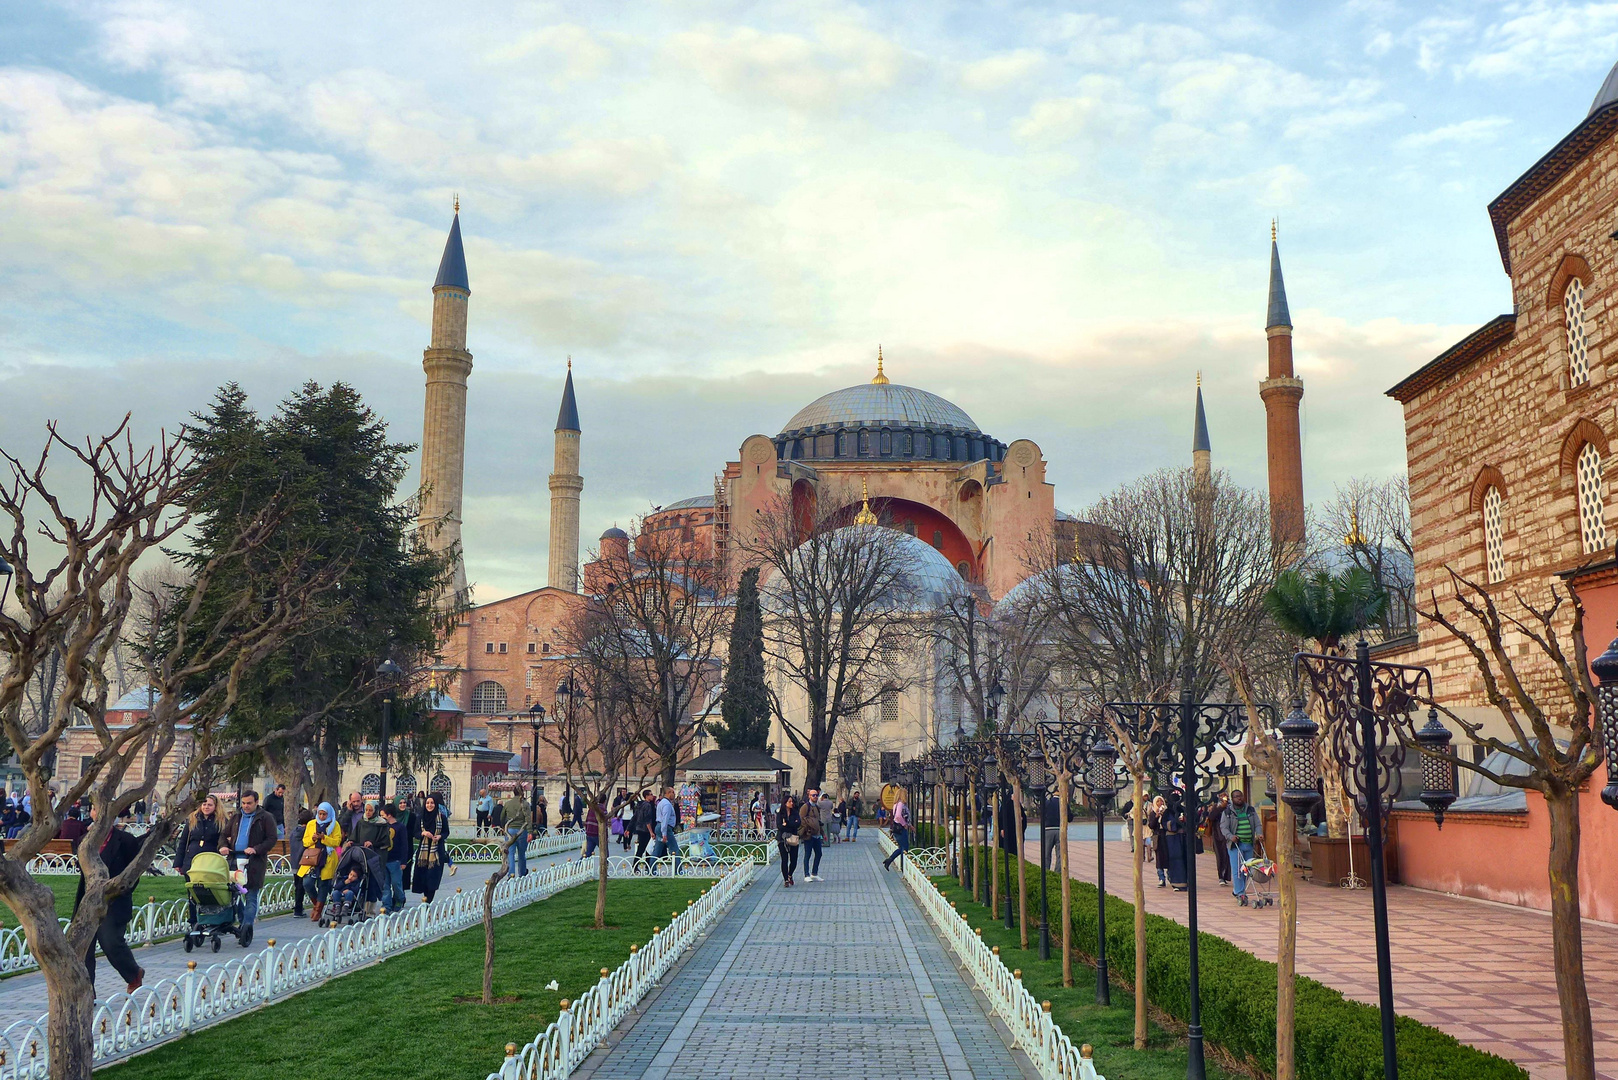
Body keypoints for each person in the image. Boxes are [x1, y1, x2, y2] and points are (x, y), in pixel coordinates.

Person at [74, 805, 143, 994]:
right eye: (95, 809)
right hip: (88, 900)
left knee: (110, 942)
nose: (99, 813)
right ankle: (87, 993)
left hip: (115, 900)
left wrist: (122, 891)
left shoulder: (126, 841)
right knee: (84, 947)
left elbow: (134, 873)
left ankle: (133, 974)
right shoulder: (84, 841)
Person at [220, 790, 277, 943]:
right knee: (234, 894)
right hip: (234, 860)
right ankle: (242, 921)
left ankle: (247, 927)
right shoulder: (237, 816)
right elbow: (224, 835)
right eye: (243, 803)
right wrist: (224, 846)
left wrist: (256, 849)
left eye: (249, 803)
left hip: (253, 863)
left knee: (251, 895)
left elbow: (271, 839)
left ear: (256, 802)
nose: (245, 806)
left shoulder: (265, 818)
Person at [298, 801, 342, 923]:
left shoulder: (334, 825)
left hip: (327, 857)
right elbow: (305, 842)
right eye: (320, 813)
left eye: (324, 814)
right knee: (307, 883)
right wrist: (313, 839)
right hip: (312, 857)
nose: (322, 816)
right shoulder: (311, 824)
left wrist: (324, 838)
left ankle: (318, 911)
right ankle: (317, 904)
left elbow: (336, 842)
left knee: (323, 884)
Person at [412, 793, 453, 902]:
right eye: (428, 803)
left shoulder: (441, 817)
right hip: (423, 853)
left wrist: (440, 836)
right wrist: (423, 833)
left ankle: (428, 901)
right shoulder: (421, 817)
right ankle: (425, 899)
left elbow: (446, 832)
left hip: (436, 851)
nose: (430, 805)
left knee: (433, 877)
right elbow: (415, 833)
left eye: (432, 803)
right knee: (423, 876)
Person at [1222, 789, 1261, 902]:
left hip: (1249, 843)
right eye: (1236, 797)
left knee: (1247, 869)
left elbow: (1257, 824)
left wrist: (1259, 834)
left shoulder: (1250, 810)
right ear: (1232, 799)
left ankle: (1239, 890)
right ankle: (1240, 892)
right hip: (1235, 845)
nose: (1239, 798)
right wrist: (1230, 836)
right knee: (1238, 870)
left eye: (1240, 796)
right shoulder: (1228, 812)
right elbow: (1224, 828)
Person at [175, 795, 223, 875]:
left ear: (216, 806)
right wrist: (178, 863)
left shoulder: (221, 822)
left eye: (210, 805)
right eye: (204, 804)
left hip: (211, 861)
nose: (206, 807)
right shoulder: (192, 820)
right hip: (191, 860)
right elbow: (183, 842)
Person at [380, 803, 411, 913]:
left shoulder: (400, 827)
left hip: (396, 861)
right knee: (385, 885)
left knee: (396, 883)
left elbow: (404, 845)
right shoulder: (382, 826)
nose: (381, 817)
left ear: (389, 815)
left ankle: (399, 899)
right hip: (384, 860)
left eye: (383, 815)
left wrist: (403, 861)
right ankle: (386, 906)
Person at [651, 786, 682, 874]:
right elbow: (665, 819)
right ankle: (678, 871)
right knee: (674, 849)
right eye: (672, 792)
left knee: (657, 850)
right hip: (665, 828)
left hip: (660, 827)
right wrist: (664, 834)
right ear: (668, 793)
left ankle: (651, 870)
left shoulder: (661, 803)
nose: (674, 794)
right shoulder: (667, 805)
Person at [502, 787, 531, 877]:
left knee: (510, 853)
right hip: (522, 830)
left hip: (510, 830)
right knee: (521, 853)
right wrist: (530, 831)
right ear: (521, 793)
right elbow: (528, 818)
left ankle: (511, 874)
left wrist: (504, 826)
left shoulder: (507, 804)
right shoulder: (525, 804)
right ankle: (522, 873)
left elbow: (502, 817)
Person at [1163, 793, 1188, 892]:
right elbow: (1165, 824)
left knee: (1185, 858)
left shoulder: (1182, 809)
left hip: (1183, 837)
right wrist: (1176, 822)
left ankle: (1187, 881)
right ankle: (1176, 882)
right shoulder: (1167, 812)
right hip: (1172, 839)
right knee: (1175, 860)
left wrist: (1185, 820)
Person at [798, 788, 824, 880]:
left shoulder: (817, 807)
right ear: (809, 796)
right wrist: (809, 825)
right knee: (807, 854)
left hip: (817, 835)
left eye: (817, 795)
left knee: (819, 854)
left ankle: (814, 873)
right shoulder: (805, 807)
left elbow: (818, 821)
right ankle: (806, 874)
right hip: (809, 834)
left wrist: (822, 833)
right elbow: (801, 819)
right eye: (813, 795)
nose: (815, 797)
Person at [1205, 793, 1231, 885]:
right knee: (1221, 855)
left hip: (1230, 834)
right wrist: (1221, 807)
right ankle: (1221, 876)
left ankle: (1228, 875)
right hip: (1218, 834)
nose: (1224, 797)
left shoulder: (1231, 806)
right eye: (1221, 795)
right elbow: (1211, 817)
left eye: (1225, 795)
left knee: (1229, 856)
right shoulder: (1216, 807)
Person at [776, 793, 801, 886]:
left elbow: (798, 824)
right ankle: (786, 879)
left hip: (793, 838)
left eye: (792, 801)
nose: (791, 803)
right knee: (784, 859)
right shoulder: (780, 813)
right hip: (782, 839)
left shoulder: (795, 812)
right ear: (785, 803)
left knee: (794, 860)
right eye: (789, 801)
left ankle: (790, 874)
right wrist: (791, 825)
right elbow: (779, 826)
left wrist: (787, 824)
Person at [882, 792, 910, 870]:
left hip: (897, 828)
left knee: (902, 848)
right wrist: (904, 824)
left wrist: (910, 825)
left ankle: (889, 861)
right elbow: (898, 816)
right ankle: (902, 866)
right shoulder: (900, 804)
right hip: (900, 829)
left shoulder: (896, 805)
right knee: (904, 848)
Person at [1147, 796, 1169, 887]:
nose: (1160, 803)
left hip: (1166, 836)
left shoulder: (1167, 813)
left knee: (1169, 856)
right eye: (1158, 801)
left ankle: (1171, 876)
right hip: (1158, 837)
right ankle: (1161, 878)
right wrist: (1156, 817)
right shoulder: (1152, 813)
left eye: (1161, 801)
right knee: (1159, 858)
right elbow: (1151, 825)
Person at [632, 789, 656, 871]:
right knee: (645, 848)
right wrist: (651, 832)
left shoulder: (641, 804)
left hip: (639, 828)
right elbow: (647, 819)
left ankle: (639, 865)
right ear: (647, 796)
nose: (652, 796)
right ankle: (643, 866)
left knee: (642, 848)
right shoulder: (647, 805)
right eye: (651, 794)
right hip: (645, 829)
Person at [1041, 789, 1062, 871]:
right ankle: (1058, 871)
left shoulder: (1047, 803)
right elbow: (1070, 817)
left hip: (1048, 829)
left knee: (1046, 853)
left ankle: (1046, 871)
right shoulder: (1063, 803)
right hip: (1060, 829)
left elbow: (1042, 814)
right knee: (1060, 854)